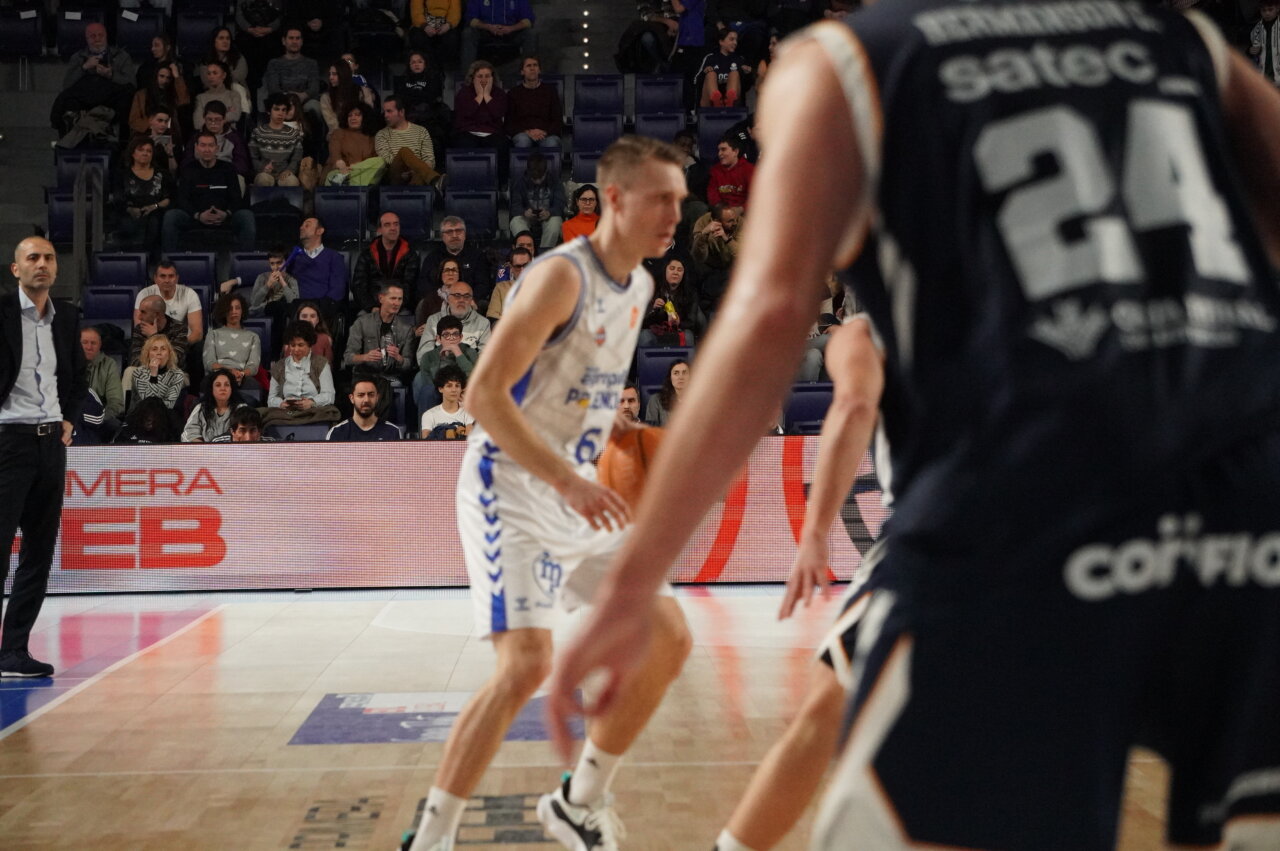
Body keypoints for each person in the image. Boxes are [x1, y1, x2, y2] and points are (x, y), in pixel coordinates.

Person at [548, 6, 1280, 851]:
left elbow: (773, 314)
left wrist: (634, 582)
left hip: (1025, 497)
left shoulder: (844, 62)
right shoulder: (1180, 37)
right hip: (1249, 489)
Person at [400, 135, 692, 851]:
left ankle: (578, 800)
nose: (676, 215)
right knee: (526, 664)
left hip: (574, 486)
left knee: (667, 633)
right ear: (615, 199)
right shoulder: (562, 276)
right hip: (510, 481)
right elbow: (483, 396)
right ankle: (430, 837)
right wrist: (568, 476)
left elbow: (572, 378)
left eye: (681, 201)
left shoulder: (645, 286)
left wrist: (606, 421)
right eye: (662, 199)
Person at [712, 315, 884, 851]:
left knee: (824, 711)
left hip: (936, 540)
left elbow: (854, 408)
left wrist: (815, 531)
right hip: (1044, 545)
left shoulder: (863, 333)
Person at [0, 237, 86, 678]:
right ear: (15, 269)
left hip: (51, 443)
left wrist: (69, 418)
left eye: (49, 258)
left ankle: (13, 651)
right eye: (32, 258)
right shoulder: (1, 313)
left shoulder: (67, 317)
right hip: (7, 441)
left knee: (38, 553)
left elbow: (76, 372)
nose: (42, 265)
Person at [163, 130, 257, 253]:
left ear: (217, 148)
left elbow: (236, 198)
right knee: (171, 216)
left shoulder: (228, 169)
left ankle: (245, 264)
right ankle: (168, 264)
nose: (207, 149)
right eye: (203, 145)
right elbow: (182, 199)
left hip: (224, 217)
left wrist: (226, 213)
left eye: (210, 145)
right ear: (196, 148)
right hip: (195, 217)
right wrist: (198, 215)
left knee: (246, 216)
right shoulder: (188, 169)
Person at [50, 22, 136, 137]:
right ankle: (68, 144)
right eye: (93, 36)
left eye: (100, 35)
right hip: (84, 97)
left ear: (106, 36)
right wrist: (84, 67)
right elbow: (67, 85)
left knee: (127, 98)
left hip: (111, 97)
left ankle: (123, 144)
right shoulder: (77, 57)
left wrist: (111, 75)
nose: (97, 39)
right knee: (66, 100)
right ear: (87, 39)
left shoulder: (121, 56)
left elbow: (131, 83)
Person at [343, 281, 418, 388]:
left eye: (399, 299)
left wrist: (398, 357)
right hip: (364, 375)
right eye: (393, 298)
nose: (396, 303)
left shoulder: (406, 329)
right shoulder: (362, 323)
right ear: (381, 298)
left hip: (392, 376)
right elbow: (348, 358)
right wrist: (365, 357)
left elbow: (408, 364)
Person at [264, 320, 339, 426]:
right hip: (286, 414)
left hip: (314, 413)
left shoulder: (321, 364)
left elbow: (329, 395)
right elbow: (271, 398)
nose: (296, 349)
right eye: (292, 345)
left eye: (300, 345)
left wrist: (312, 403)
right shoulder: (279, 366)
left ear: (310, 344)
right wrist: (281, 403)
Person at [352, 212, 423, 313]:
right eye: (387, 225)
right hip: (373, 306)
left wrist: (395, 305)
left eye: (396, 224)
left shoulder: (410, 254)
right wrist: (371, 307)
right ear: (379, 230)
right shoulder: (367, 254)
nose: (393, 228)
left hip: (400, 306)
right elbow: (359, 285)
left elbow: (410, 286)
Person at [112, 136, 174, 250]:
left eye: (149, 151)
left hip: (155, 212)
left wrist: (154, 206)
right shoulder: (122, 174)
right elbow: (117, 198)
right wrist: (130, 209)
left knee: (154, 222)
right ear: (133, 153)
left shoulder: (162, 173)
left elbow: (168, 198)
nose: (145, 153)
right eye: (141, 150)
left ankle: (150, 258)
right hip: (128, 212)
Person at [451, 60, 509, 179]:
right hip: (468, 132)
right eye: (480, 76)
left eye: (487, 76)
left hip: (492, 133)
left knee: (503, 146)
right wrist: (478, 97)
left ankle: (501, 186)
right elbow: (466, 113)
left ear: (493, 78)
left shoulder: (499, 93)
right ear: (473, 78)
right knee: (462, 144)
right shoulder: (464, 93)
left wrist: (487, 96)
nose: (484, 79)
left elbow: (498, 113)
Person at [412, 314, 479, 415]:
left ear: (461, 337)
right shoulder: (428, 357)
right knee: (425, 389)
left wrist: (457, 352)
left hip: (464, 395)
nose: (451, 338)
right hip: (438, 396)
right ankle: (426, 429)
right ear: (438, 338)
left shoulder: (471, 353)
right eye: (446, 335)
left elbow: (473, 378)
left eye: (455, 334)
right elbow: (428, 386)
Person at [420, 216, 493, 305]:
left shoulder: (478, 256)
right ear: (442, 236)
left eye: (458, 231)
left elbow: (483, 285)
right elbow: (425, 286)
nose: (454, 235)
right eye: (449, 232)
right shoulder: (432, 258)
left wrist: (470, 299)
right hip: (439, 304)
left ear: (465, 235)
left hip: (469, 304)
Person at [376, 95, 446, 188]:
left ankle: (416, 196)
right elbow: (386, 160)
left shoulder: (421, 131)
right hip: (395, 175)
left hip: (418, 174)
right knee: (404, 151)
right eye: (384, 112)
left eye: (389, 111)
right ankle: (435, 180)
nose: (385, 115)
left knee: (420, 172)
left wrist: (414, 171)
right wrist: (412, 168)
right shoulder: (381, 134)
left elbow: (429, 159)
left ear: (401, 112)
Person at [287, 216, 348, 321]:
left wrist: (317, 308)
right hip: (297, 306)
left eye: (307, 225)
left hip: (323, 308)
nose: (301, 228)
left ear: (320, 231)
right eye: (301, 225)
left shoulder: (334, 257)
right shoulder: (293, 257)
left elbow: (337, 290)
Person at [133, 261, 204, 350]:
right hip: (151, 343)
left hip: (181, 342)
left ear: (177, 278)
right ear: (155, 278)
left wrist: (172, 346)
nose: (167, 280)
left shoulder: (190, 294)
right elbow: (140, 328)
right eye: (162, 276)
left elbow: (197, 333)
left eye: (171, 276)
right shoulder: (144, 294)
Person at [639, 256, 706, 346]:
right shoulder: (653, 290)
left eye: (679, 270)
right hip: (657, 331)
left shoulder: (690, 293)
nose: (675, 272)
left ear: (683, 274)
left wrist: (679, 323)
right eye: (672, 268)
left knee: (689, 336)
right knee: (644, 336)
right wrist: (653, 308)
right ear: (665, 271)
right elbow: (642, 322)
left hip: (679, 331)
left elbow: (691, 322)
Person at [263, 26, 323, 128]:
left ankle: (314, 142)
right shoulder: (274, 63)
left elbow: (314, 88)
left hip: (305, 100)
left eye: (298, 38)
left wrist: (301, 97)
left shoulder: (311, 63)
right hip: (282, 100)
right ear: (283, 41)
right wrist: (290, 99)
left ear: (302, 41)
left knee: (314, 107)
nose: (294, 41)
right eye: (291, 38)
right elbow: (273, 89)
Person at [397, 49, 452, 155]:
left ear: (425, 64)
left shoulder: (434, 79)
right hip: (409, 116)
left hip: (429, 117)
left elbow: (432, 97)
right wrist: (420, 95)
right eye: (413, 62)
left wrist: (413, 95)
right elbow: (401, 99)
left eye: (419, 61)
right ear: (409, 65)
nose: (416, 64)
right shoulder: (402, 80)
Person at [181, 101, 253, 182]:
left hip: (226, 176)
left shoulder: (234, 137)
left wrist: (220, 170)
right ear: (204, 118)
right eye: (209, 119)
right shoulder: (195, 137)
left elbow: (242, 166)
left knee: (239, 180)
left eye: (217, 119)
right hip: (200, 175)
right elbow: (186, 162)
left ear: (224, 119)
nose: (213, 123)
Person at [203, 292, 261, 387]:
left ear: (242, 311)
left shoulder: (253, 337)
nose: (234, 311)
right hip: (218, 375)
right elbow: (209, 363)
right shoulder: (213, 334)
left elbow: (253, 367)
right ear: (224, 311)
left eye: (237, 308)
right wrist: (229, 371)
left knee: (253, 385)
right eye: (230, 308)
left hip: (242, 376)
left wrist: (241, 374)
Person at [459, 0, 537, 71]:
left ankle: (528, 73)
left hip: (511, 33)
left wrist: (511, 28)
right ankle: (468, 74)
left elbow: (528, 20)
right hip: (485, 33)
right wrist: (488, 27)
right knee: (468, 33)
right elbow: (471, 19)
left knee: (530, 33)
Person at [508, 152, 565, 250]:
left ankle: (544, 253)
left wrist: (549, 212)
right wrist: (524, 212)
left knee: (555, 222)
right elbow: (514, 206)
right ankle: (526, 252)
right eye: (534, 179)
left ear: (546, 171)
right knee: (516, 222)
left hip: (548, 216)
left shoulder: (555, 181)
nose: (538, 181)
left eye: (540, 178)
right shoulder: (519, 182)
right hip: (527, 216)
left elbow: (560, 204)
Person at [507, 56, 563, 150]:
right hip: (523, 133)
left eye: (535, 65)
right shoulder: (513, 93)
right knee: (523, 141)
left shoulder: (550, 91)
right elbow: (509, 123)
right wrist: (528, 132)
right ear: (522, 71)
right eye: (528, 66)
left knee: (551, 143)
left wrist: (544, 132)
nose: (532, 68)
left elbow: (557, 120)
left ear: (539, 70)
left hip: (546, 133)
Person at [251, 92, 305, 187]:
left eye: (284, 110)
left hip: (285, 173)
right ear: (268, 111)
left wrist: (290, 170)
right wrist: (262, 168)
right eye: (276, 109)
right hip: (264, 172)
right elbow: (252, 156)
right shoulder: (258, 132)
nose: (280, 113)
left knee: (292, 182)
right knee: (262, 180)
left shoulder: (293, 134)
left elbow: (296, 157)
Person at [322, 103, 383, 186]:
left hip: (362, 174)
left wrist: (355, 167)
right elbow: (335, 153)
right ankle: (348, 181)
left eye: (357, 115)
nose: (353, 118)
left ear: (365, 118)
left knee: (380, 161)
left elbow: (373, 161)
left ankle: (348, 181)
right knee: (332, 176)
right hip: (339, 172)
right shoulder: (339, 133)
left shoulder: (372, 138)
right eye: (350, 116)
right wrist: (340, 164)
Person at [421, 280, 492, 351]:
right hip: (438, 361)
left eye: (466, 296)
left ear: (471, 300)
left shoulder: (483, 323)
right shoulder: (433, 320)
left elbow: (486, 356)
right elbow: (424, 353)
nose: (461, 300)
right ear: (448, 299)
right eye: (457, 296)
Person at [326, 378, 405, 441]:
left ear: (377, 397)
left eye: (371, 395)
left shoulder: (392, 432)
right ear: (352, 398)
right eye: (361, 395)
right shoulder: (337, 432)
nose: (366, 400)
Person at [181, 368, 247, 443]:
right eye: (218, 385)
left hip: (234, 451)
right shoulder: (201, 408)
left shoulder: (241, 409)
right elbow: (189, 432)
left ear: (231, 388)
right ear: (211, 389)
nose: (223, 388)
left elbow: (247, 435)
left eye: (227, 385)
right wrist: (201, 447)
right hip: (205, 452)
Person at [128, 63, 190, 142]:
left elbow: (184, 100)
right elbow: (134, 120)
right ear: (155, 76)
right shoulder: (141, 95)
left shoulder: (172, 94)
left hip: (169, 134)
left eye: (168, 78)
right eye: (162, 76)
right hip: (145, 134)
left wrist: (177, 76)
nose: (165, 80)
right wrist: (154, 125)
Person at [128, 334, 186, 412]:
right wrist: (153, 375)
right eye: (154, 349)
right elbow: (149, 403)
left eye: (163, 349)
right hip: (141, 414)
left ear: (169, 354)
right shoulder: (139, 373)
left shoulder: (177, 375)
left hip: (167, 415)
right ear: (148, 354)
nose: (159, 353)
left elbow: (170, 404)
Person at [80, 326, 125, 425]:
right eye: (85, 342)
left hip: (100, 417)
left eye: (93, 343)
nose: (89, 347)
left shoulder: (109, 364)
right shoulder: (68, 363)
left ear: (100, 345)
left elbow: (116, 402)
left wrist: (99, 418)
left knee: (115, 425)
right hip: (73, 417)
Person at [130, 294, 189, 367]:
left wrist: (154, 337)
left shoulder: (179, 328)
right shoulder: (140, 329)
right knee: (129, 371)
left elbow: (175, 361)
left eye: (143, 312)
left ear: (157, 315)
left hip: (173, 375)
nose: (139, 317)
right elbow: (135, 362)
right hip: (145, 374)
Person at [320, 60, 377, 133]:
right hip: (339, 135)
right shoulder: (326, 98)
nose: (330, 77)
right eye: (329, 74)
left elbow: (368, 116)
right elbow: (332, 123)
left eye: (334, 74)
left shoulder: (363, 91)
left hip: (361, 133)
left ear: (343, 74)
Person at [418, 364, 473, 438]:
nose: (454, 390)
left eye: (457, 386)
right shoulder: (429, 415)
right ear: (440, 389)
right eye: (449, 386)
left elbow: (469, 440)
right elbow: (426, 444)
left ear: (461, 389)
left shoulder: (469, 412)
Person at [697, 28, 747, 108]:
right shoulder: (710, 58)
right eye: (731, 39)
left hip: (734, 105)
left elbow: (745, 87)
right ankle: (716, 100)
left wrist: (747, 73)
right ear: (721, 42)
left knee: (734, 73)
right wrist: (705, 72)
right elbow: (696, 81)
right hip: (709, 104)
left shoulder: (739, 59)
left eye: (736, 40)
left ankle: (729, 102)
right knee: (711, 74)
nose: (735, 43)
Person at [410, 0, 464, 67]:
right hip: (425, 24)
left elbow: (455, 12)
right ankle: (426, 66)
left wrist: (448, 25)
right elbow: (416, 11)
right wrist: (425, 26)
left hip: (445, 24)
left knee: (452, 37)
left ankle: (444, 69)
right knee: (417, 36)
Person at [486, 245, 531, 324]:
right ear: (511, 268)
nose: (522, 270)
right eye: (518, 266)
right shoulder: (501, 288)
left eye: (526, 265)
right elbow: (492, 318)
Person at [194, 61, 245, 129]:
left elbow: (235, 116)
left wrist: (209, 119)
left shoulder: (233, 95)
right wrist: (223, 117)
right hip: (207, 136)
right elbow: (198, 123)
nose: (211, 76)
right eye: (209, 74)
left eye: (215, 73)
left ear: (224, 75)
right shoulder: (200, 98)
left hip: (228, 135)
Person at [707, 135, 754, 209]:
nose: (719, 154)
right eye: (719, 150)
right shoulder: (715, 170)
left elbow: (756, 197)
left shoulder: (750, 169)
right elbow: (712, 196)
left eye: (723, 149)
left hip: (745, 213)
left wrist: (741, 209)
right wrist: (722, 211)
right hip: (720, 212)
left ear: (735, 152)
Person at [197, 26, 250, 91]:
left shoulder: (238, 57)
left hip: (235, 90)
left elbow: (240, 76)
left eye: (228, 38)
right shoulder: (206, 59)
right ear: (214, 41)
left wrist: (216, 76)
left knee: (236, 87)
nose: (225, 41)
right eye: (221, 38)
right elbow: (206, 80)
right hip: (213, 91)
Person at [114, 396, 179, 444]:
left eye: (154, 422)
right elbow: (117, 448)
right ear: (141, 417)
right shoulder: (129, 428)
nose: (150, 425)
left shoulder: (167, 433)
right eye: (148, 421)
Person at [643, 358, 688, 426]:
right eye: (676, 373)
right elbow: (651, 430)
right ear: (670, 378)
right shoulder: (656, 400)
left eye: (684, 373)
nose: (680, 377)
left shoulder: (700, 400)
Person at [1251, 0, 1280, 85]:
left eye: (1270, 10)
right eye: (1264, 10)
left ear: (1277, 8)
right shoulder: (1258, 27)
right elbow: (1254, 40)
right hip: (1264, 65)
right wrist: (1253, 49)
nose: (1267, 13)